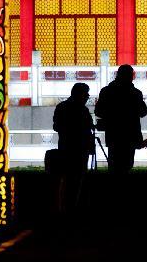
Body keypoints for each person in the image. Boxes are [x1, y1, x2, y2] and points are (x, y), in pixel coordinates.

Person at [95, 64, 147, 172]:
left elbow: (98, 112)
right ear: (131, 76)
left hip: (114, 134)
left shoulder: (106, 91)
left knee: (114, 165)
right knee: (127, 166)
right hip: (131, 133)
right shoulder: (136, 93)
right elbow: (142, 113)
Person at [52, 83, 95, 213]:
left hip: (67, 146)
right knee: (76, 178)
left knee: (68, 179)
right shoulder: (82, 109)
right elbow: (88, 127)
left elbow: (56, 126)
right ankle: (72, 207)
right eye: (86, 93)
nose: (88, 96)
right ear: (79, 94)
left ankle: (66, 207)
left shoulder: (62, 107)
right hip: (78, 148)